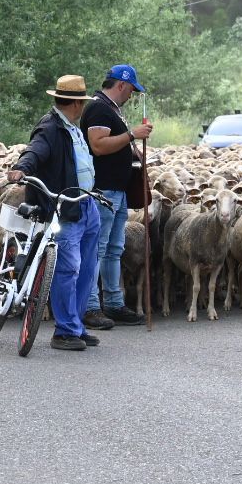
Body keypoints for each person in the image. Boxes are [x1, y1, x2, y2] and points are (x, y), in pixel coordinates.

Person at [8, 74, 102, 352]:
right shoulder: (49, 128)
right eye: (81, 102)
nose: (83, 107)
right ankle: (64, 331)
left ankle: (76, 324)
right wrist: (22, 167)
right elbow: (35, 151)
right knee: (68, 267)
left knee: (87, 268)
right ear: (75, 104)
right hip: (65, 205)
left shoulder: (73, 127)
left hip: (87, 203)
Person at [80, 65, 153, 328]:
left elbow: (114, 144)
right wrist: (132, 135)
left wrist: (132, 152)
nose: (132, 95)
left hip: (118, 190)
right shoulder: (99, 108)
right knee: (97, 249)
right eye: (132, 89)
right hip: (104, 190)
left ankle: (113, 303)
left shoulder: (111, 109)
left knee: (113, 249)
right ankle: (90, 307)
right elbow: (98, 146)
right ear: (121, 85)